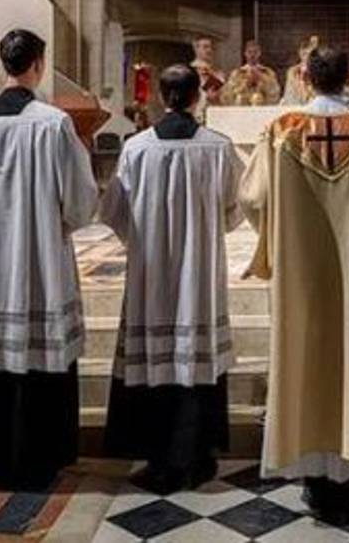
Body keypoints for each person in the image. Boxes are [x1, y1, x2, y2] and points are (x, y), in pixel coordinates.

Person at [241, 47, 349, 524]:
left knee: (305, 357)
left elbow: (252, 197)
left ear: (305, 77)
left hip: (301, 275)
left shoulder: (281, 132)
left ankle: (312, 476)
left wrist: (273, 238)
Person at [0, 29, 99, 489]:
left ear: (5, 64)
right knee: (39, 350)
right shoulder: (53, 125)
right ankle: (39, 457)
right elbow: (80, 202)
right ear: (38, 64)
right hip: (38, 262)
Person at [101, 64, 244, 493]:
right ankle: (197, 454)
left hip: (151, 277)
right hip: (198, 276)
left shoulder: (136, 148)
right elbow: (236, 208)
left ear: (160, 97)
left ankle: (157, 456)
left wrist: (144, 240)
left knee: (153, 355)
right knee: (195, 356)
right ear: (198, 96)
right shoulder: (218, 148)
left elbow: (115, 213)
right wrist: (204, 231)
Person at [223, 40, 281, 106]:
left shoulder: (268, 73)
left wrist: (262, 80)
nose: (252, 55)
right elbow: (229, 95)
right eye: (249, 52)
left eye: (255, 52)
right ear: (245, 53)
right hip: (243, 108)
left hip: (262, 108)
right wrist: (246, 83)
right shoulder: (237, 73)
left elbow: (275, 93)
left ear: (259, 53)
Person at [190, 36, 226, 119]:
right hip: (197, 114)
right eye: (205, 47)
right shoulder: (189, 71)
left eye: (211, 48)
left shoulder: (218, 74)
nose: (209, 50)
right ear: (196, 49)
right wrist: (206, 96)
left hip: (216, 115)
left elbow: (225, 97)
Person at [281, 36, 318, 106]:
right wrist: (302, 80)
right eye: (304, 53)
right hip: (297, 105)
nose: (307, 57)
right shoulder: (293, 72)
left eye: (310, 54)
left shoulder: (320, 70)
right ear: (300, 53)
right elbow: (290, 94)